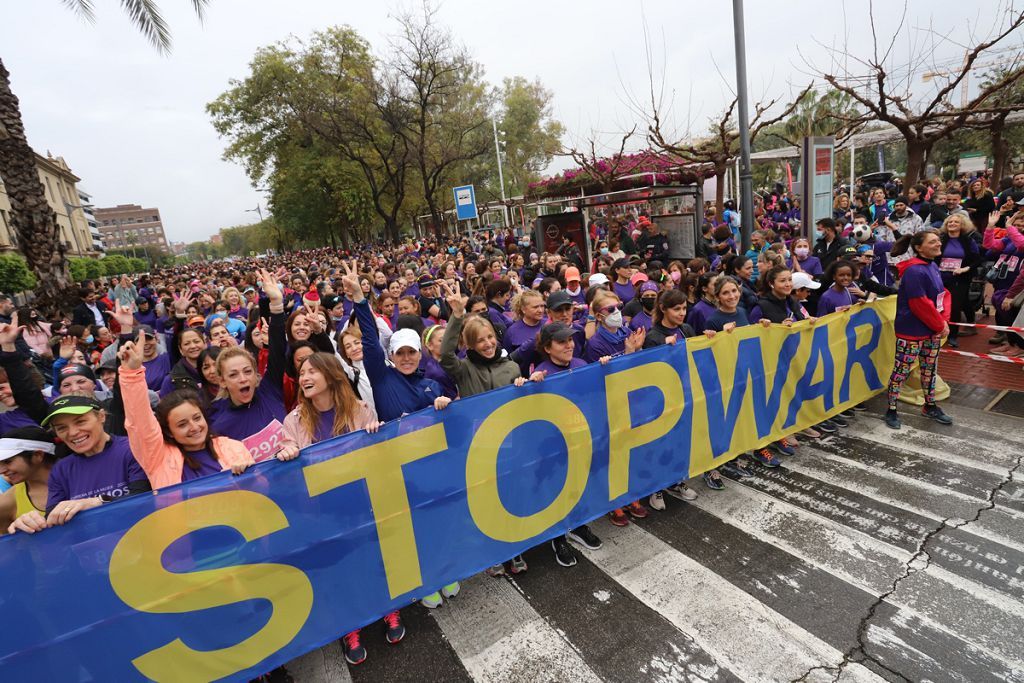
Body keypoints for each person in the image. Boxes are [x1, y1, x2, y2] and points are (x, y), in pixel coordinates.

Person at [119, 331, 257, 487]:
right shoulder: (158, 458)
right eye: (182, 424)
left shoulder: (232, 447)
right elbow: (139, 423)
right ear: (170, 431)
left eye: (197, 418)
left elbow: (261, 490)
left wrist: (251, 478)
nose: (194, 427)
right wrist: (131, 375)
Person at [209, 269, 288, 444]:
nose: (243, 379)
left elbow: (278, 348)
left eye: (247, 371)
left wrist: (276, 304)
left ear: (256, 374)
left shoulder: (270, 390)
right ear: (222, 381)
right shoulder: (218, 426)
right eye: (233, 375)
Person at [884, 230, 953, 430]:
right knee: (901, 371)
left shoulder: (931, 265)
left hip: (931, 329)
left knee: (929, 369)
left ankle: (930, 405)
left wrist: (943, 321)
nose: (938, 243)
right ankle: (891, 408)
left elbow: (941, 296)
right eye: (932, 241)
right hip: (912, 330)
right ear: (918, 248)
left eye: (938, 240)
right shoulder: (915, 271)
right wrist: (940, 324)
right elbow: (919, 304)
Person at [937, 213, 982, 348]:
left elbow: (977, 259)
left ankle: (952, 336)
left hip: (960, 278)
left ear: (962, 225)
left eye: (956, 222)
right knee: (938, 305)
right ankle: (938, 330)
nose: (952, 224)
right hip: (940, 277)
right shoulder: (940, 239)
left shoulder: (968, 241)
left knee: (955, 307)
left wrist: (965, 269)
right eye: (950, 222)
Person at [0, 427, 55, 533]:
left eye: (8, 461)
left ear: (38, 455)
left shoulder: (79, 475)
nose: (1, 471)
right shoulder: (7, 501)